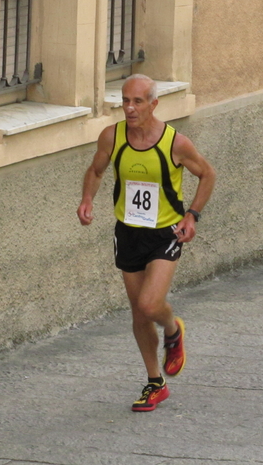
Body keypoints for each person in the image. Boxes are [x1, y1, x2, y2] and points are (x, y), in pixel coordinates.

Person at [77, 74, 216, 412]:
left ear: (153, 104)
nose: (129, 107)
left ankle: (172, 328)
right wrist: (87, 200)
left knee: (151, 304)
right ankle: (155, 382)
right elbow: (96, 170)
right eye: (125, 100)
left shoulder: (174, 143)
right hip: (128, 232)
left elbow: (207, 174)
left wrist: (192, 215)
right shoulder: (112, 137)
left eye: (137, 101)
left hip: (166, 233)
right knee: (138, 313)